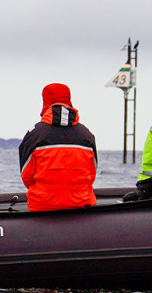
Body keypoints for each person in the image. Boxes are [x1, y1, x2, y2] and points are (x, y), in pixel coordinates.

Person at [18, 83, 98, 212]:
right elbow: (92, 174)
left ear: (45, 101)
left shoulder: (34, 134)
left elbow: (26, 176)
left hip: (42, 207)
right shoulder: (87, 135)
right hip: (82, 206)